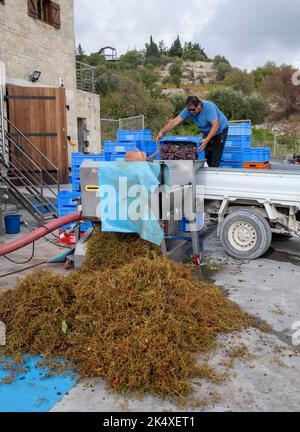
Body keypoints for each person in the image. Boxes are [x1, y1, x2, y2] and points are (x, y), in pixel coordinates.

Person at [157, 96, 229, 167]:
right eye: (189, 110)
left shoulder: (209, 107)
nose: (191, 112)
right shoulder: (188, 110)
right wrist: (162, 131)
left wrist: (207, 140)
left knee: (215, 157)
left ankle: (214, 174)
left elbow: (215, 125)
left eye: (193, 110)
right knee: (206, 155)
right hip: (207, 132)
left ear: (199, 105)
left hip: (220, 130)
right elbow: (175, 121)